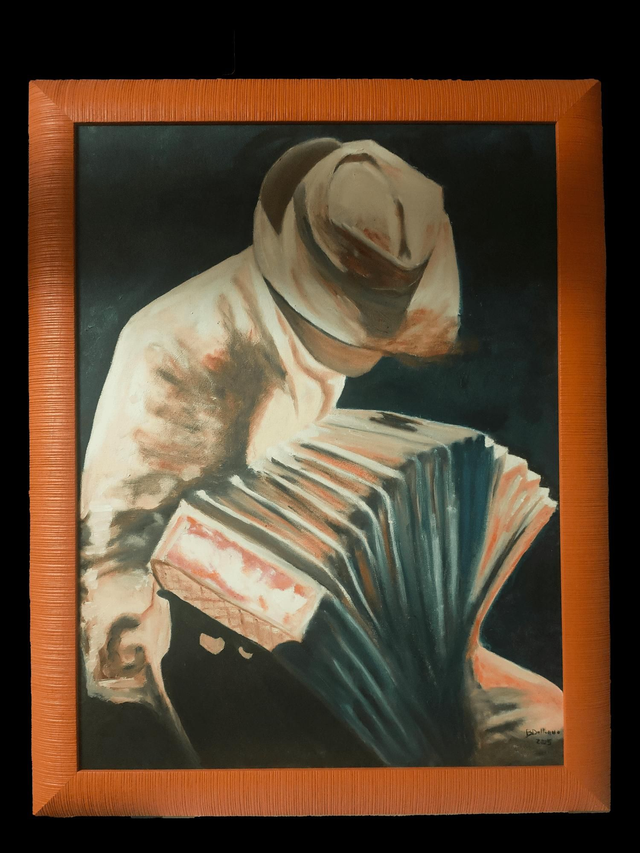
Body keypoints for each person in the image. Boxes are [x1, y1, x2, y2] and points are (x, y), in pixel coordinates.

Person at [80, 137, 562, 766]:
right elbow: (110, 556)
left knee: (548, 722)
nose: (368, 349)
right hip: (205, 646)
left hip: (322, 615)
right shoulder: (175, 348)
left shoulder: (319, 334)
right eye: (352, 325)